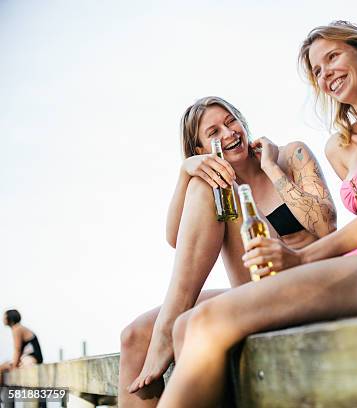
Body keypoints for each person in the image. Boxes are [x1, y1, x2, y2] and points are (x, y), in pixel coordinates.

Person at [156, 21, 357, 407]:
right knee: (187, 324)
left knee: (208, 321)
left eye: (333, 57)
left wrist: (300, 258)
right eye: (318, 70)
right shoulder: (339, 147)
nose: (327, 74)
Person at [119, 96, 336, 406]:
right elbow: (177, 240)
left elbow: (326, 225)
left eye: (231, 121)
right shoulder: (212, 183)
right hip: (252, 289)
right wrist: (186, 172)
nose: (229, 133)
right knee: (135, 335)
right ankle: (163, 330)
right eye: (214, 132)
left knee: (219, 186)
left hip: (307, 283)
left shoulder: (291, 155)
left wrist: (270, 166)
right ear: (200, 150)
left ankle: (168, 328)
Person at [0, 310, 44, 378]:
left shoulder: (17, 328)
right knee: (3, 367)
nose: (2, 319)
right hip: (26, 357)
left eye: (4, 317)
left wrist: (14, 366)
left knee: (7, 367)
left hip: (32, 357)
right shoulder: (17, 328)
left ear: (9, 318)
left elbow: (17, 349)